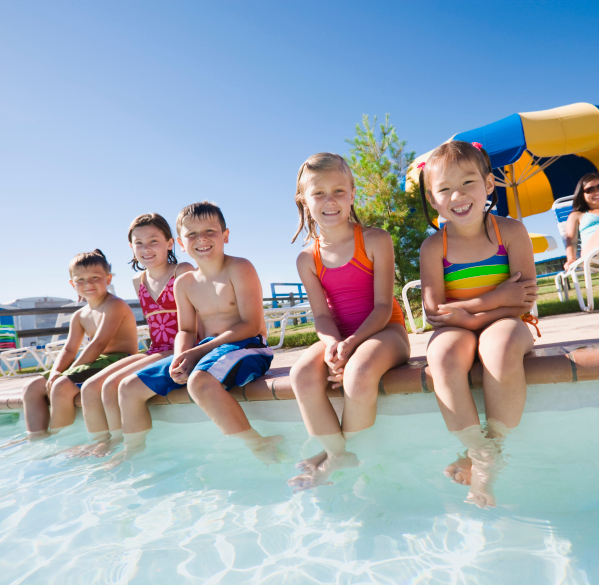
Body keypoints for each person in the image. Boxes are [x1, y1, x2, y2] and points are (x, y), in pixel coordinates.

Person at [111, 201, 281, 466]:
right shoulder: (185, 283)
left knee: (199, 382)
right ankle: (135, 453)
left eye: (210, 231)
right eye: (191, 234)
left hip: (247, 346)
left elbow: (250, 324)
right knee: (128, 387)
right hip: (205, 350)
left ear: (225, 235)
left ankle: (258, 445)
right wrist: (180, 358)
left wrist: (196, 352)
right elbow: (186, 329)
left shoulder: (239, 267)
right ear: (180, 242)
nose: (201, 239)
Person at [418, 141, 539, 508]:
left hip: (507, 324)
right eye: (444, 189)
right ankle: (476, 449)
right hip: (457, 328)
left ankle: (492, 447)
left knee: (498, 346)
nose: (458, 195)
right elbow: (435, 312)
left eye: (468, 182)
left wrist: (472, 312)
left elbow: (525, 299)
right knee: (441, 355)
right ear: (433, 199)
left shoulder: (511, 232)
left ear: (489, 184)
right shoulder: (432, 247)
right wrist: (495, 298)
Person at [287, 152, 410, 491]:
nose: (330, 201)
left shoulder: (374, 240)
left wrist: (352, 346)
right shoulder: (306, 258)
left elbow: (384, 307)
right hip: (339, 338)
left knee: (359, 373)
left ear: (353, 193)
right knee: (301, 375)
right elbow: (322, 316)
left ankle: (347, 452)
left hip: (386, 332)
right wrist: (331, 345)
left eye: (339, 191)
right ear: (304, 200)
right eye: (319, 193)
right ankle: (336, 452)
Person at [71, 214, 194, 457]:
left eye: (153, 241)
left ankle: (131, 447)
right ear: (131, 247)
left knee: (120, 387)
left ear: (170, 243)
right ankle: (103, 442)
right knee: (93, 387)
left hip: (184, 345)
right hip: (156, 349)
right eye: (139, 243)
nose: (145, 249)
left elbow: (192, 323)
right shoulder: (138, 280)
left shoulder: (183, 270)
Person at [22, 250, 138, 438]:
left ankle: (61, 441)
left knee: (60, 387)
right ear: (72, 284)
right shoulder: (80, 315)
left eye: (95, 277)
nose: (88, 284)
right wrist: (56, 372)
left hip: (119, 360)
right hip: (96, 362)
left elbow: (99, 343)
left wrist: (66, 375)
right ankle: (36, 438)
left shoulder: (115, 305)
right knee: (32, 388)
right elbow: (69, 349)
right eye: (80, 280)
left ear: (108, 279)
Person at [564, 172, 599, 270]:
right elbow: (571, 241)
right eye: (590, 190)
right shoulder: (577, 215)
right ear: (582, 194)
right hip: (593, 255)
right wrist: (571, 259)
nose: (596, 192)